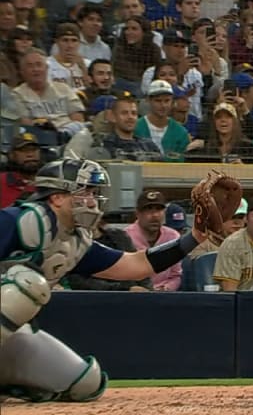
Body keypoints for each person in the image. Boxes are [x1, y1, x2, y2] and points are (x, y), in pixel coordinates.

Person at [0, 159, 206, 401]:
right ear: (56, 197)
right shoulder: (17, 220)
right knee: (27, 287)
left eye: (93, 192)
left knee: (85, 383)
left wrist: (195, 236)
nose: (92, 200)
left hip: (11, 332)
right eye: (84, 191)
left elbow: (136, 265)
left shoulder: (74, 240)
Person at [124, 190, 182, 292]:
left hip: (164, 296)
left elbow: (175, 275)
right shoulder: (125, 237)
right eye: (149, 210)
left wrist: (166, 288)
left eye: (159, 210)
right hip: (134, 296)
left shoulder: (173, 237)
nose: (155, 215)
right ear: (137, 213)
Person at [134, 80, 191, 161]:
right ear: (149, 100)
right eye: (158, 101)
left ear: (172, 102)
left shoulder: (180, 132)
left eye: (167, 100)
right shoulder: (136, 127)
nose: (163, 105)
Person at [0, 130, 40, 208]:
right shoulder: (1, 181)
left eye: (34, 150)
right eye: (24, 150)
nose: (30, 154)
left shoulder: (49, 183)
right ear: (12, 155)